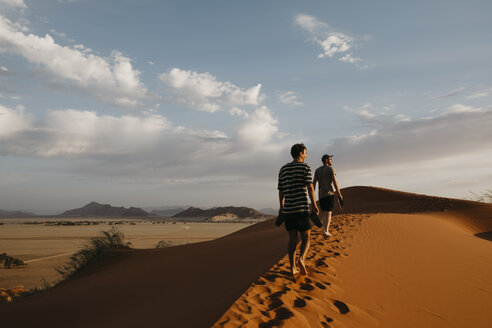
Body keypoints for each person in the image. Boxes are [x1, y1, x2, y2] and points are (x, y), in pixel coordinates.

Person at [278, 143, 319, 277]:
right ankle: (301, 259)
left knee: (292, 240)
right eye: (305, 153)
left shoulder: (283, 169)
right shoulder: (305, 167)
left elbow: (281, 191)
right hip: (301, 209)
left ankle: (292, 268)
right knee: (306, 237)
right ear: (300, 153)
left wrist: (282, 207)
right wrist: (314, 204)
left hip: (289, 211)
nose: (306, 155)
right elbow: (310, 187)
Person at [313, 154, 343, 237]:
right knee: (328, 213)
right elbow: (335, 182)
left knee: (324, 213)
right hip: (329, 193)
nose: (331, 161)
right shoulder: (330, 169)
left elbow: (313, 183)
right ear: (326, 160)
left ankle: (324, 229)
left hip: (321, 195)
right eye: (330, 159)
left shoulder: (317, 170)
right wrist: (339, 194)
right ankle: (326, 230)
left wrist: (313, 195)